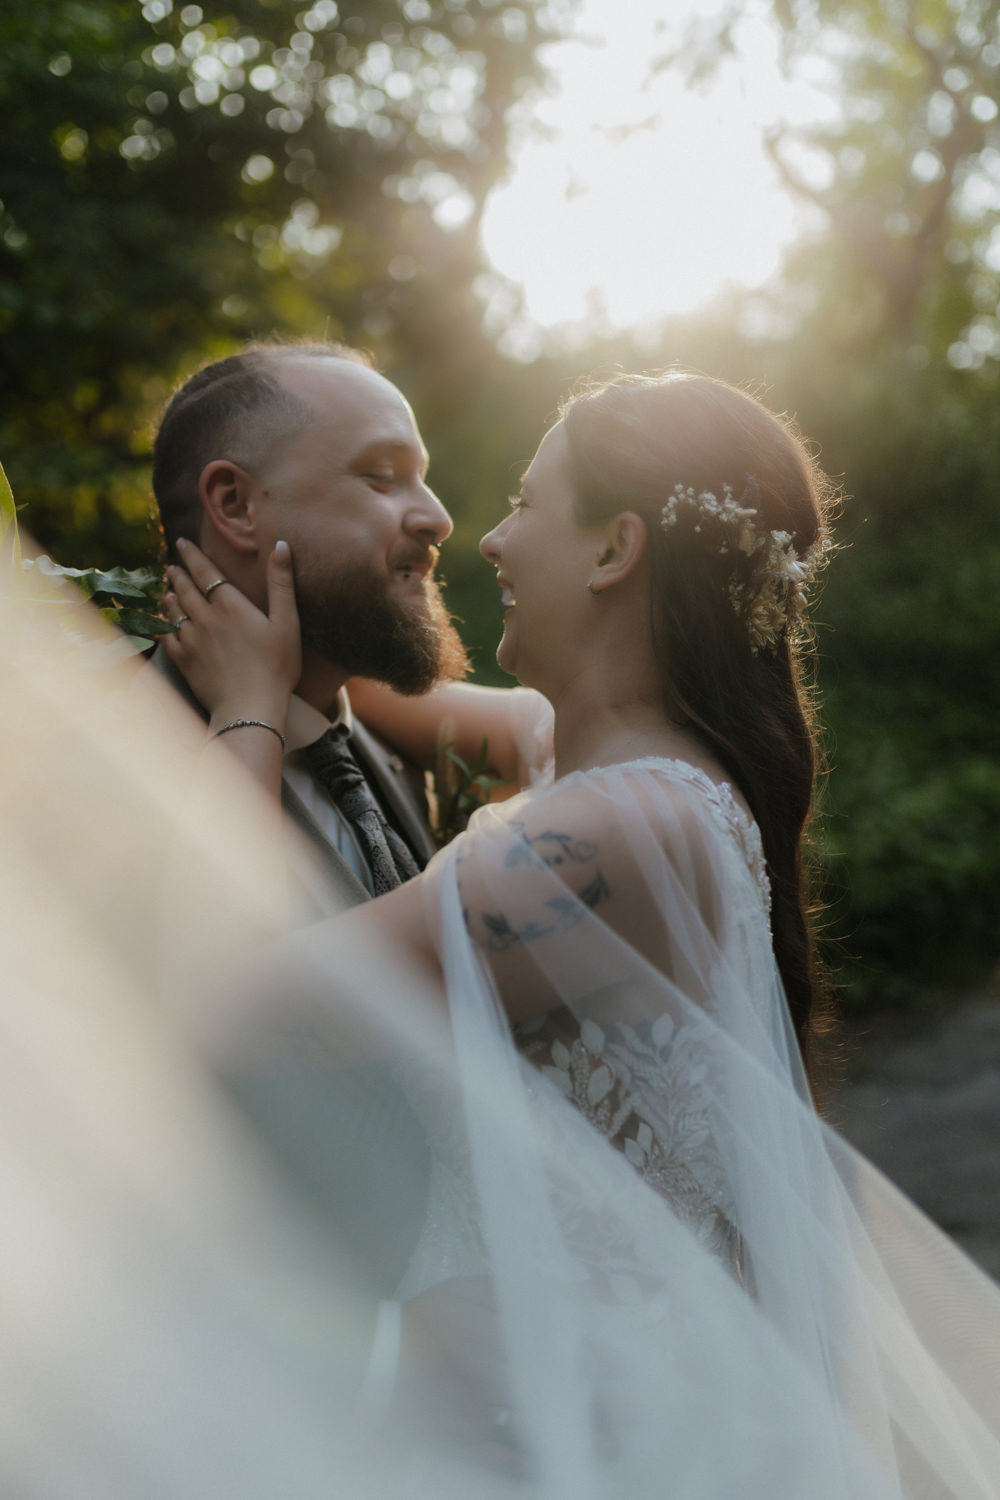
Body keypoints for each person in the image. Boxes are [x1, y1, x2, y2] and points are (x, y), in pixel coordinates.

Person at [163, 370, 1000, 1496]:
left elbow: (221, 1001)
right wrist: (283, 608)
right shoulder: (610, 768)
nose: (487, 535)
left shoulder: (612, 833)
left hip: (577, 1439)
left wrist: (248, 710)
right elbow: (384, 690)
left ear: (612, 551)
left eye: (523, 498)